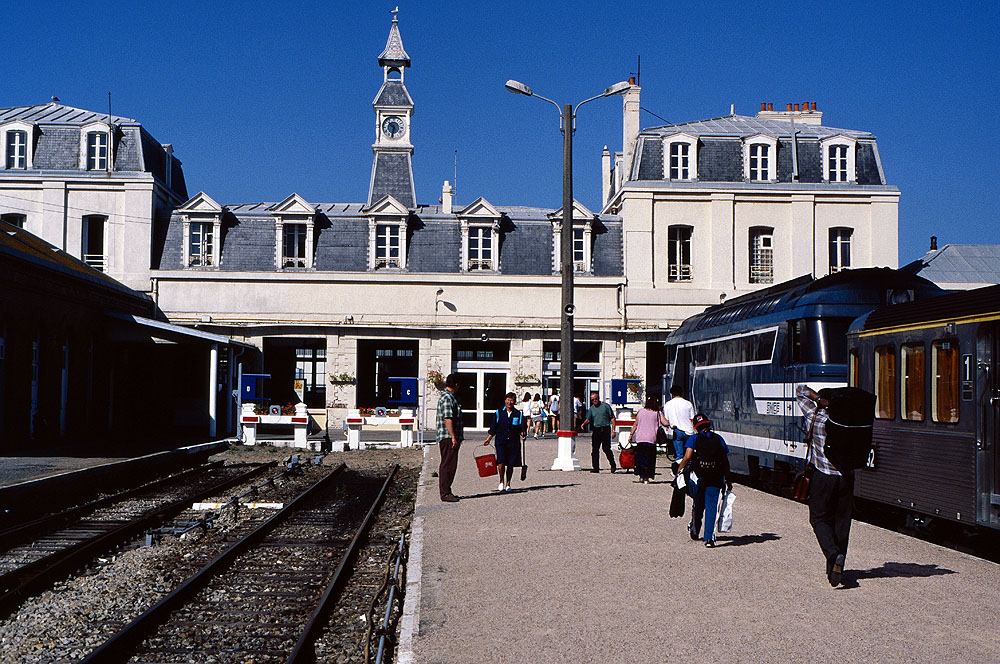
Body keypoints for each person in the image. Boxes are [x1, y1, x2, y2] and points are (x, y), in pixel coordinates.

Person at [797, 384, 853, 587]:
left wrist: (817, 398)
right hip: (846, 478)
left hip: (823, 476)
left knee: (819, 519)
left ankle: (833, 553)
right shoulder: (849, 420)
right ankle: (836, 570)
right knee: (842, 523)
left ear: (824, 402)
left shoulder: (816, 416)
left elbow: (800, 390)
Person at [676, 413, 731, 547]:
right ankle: (709, 539)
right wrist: (728, 479)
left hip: (700, 477)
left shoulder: (694, 439)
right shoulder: (719, 439)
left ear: (695, 427)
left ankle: (695, 530)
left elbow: (687, 456)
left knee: (699, 504)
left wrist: (679, 469)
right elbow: (725, 460)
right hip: (716, 476)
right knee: (712, 507)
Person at [484, 392, 527, 492]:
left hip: (513, 442)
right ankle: (501, 481)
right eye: (508, 400)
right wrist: (488, 438)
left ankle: (508, 483)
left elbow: (522, 428)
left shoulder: (518, 414)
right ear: (505, 400)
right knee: (501, 461)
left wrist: (523, 434)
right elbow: (493, 428)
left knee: (511, 464)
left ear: (514, 402)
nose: (509, 402)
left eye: (512, 400)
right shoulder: (499, 412)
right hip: (501, 441)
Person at [436, 373, 464, 502]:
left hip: (449, 436)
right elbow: (448, 418)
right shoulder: (447, 398)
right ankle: (445, 493)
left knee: (449, 464)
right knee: (448, 465)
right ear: (457, 385)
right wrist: (453, 437)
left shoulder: (448, 397)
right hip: (448, 437)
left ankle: (447, 491)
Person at [628, 395, 667, 483]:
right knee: (650, 458)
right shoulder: (657, 413)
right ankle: (647, 477)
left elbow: (635, 424)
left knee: (641, 458)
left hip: (641, 438)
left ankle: (641, 475)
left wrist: (631, 435)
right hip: (651, 439)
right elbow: (666, 423)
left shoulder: (641, 411)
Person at [580, 391, 616, 473]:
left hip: (605, 428)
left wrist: (613, 430)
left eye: (595, 399)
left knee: (606, 448)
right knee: (595, 449)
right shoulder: (591, 409)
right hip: (596, 429)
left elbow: (613, 418)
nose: (594, 401)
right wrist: (583, 424)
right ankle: (596, 467)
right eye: (592, 400)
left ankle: (613, 464)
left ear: (598, 398)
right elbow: (588, 419)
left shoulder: (606, 406)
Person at [662, 385, 696, 462]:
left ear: (672, 394)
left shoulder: (667, 405)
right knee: (689, 455)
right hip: (689, 431)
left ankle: (678, 471)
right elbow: (692, 419)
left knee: (679, 455)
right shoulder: (688, 403)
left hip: (677, 431)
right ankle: (689, 471)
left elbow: (666, 421)